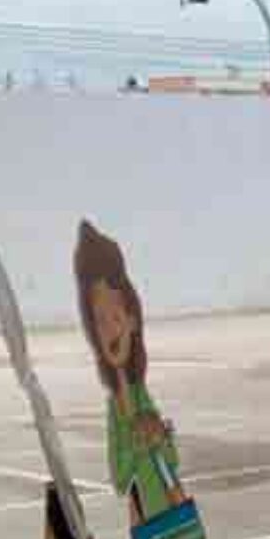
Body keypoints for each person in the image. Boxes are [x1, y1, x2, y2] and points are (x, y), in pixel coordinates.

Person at [74, 221, 185, 523]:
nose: (109, 329)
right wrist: (139, 442)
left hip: (170, 510)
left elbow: (172, 460)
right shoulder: (116, 407)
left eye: (115, 316)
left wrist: (159, 435)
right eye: (99, 320)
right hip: (145, 515)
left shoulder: (140, 393)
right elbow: (120, 480)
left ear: (133, 320)